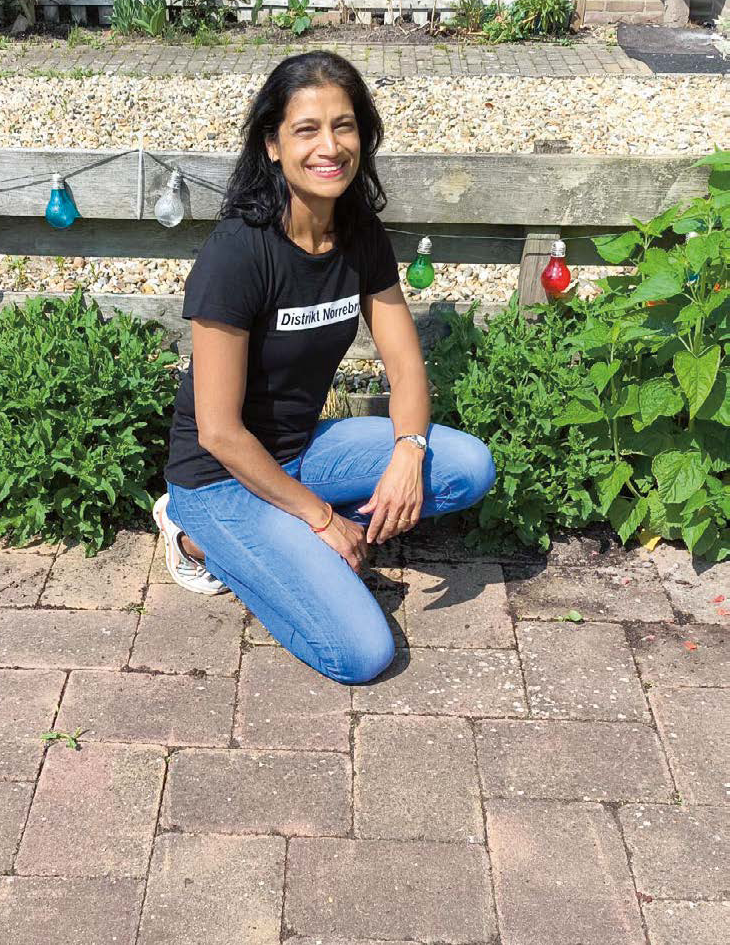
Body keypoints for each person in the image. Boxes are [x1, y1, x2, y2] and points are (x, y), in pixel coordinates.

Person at [154, 50, 496, 685]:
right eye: (306, 129)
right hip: (218, 479)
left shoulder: (360, 234)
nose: (329, 146)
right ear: (272, 146)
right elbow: (219, 433)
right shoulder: (238, 253)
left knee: (467, 466)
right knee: (362, 654)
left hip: (303, 450)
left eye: (344, 126)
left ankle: (302, 543)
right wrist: (320, 517)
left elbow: (407, 368)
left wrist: (406, 452)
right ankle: (193, 538)